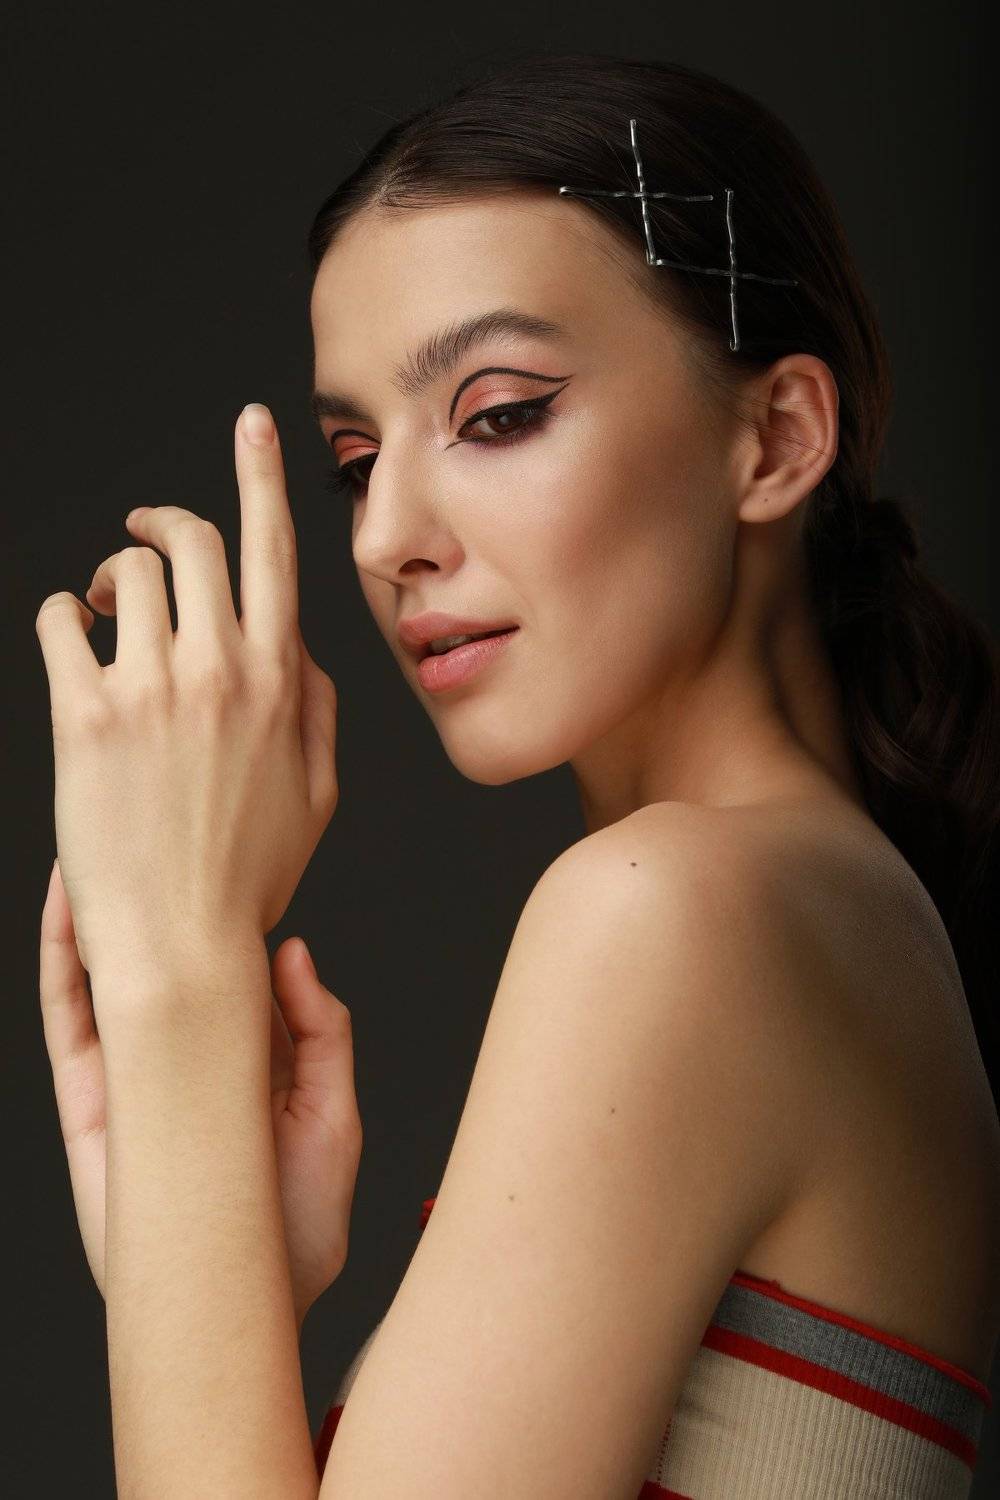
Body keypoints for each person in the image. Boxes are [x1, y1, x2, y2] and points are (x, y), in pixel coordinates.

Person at [305, 50, 1000, 1496]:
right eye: (357, 458)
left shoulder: (673, 907)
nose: (384, 537)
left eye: (497, 414)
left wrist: (175, 995)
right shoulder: (841, 912)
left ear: (777, 437)